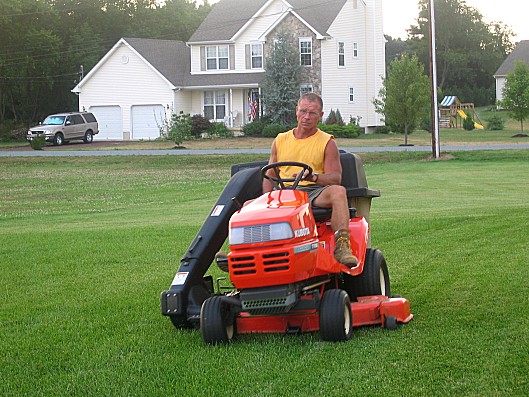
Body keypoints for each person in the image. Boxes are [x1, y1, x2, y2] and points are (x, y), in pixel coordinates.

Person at [262, 92, 358, 267]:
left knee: (338, 192)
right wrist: (264, 200)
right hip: (283, 194)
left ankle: (342, 245)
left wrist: (313, 176)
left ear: (320, 116)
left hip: (312, 192)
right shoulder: (280, 140)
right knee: (246, 207)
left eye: (312, 113)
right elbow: (271, 174)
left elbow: (335, 178)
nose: (307, 117)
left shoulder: (327, 142)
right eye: (303, 111)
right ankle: (238, 250)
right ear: (296, 111)